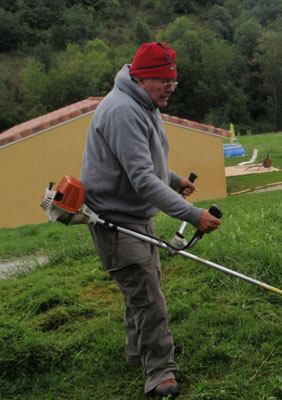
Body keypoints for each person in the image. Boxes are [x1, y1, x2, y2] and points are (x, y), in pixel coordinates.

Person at [80, 42, 221, 398]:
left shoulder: (145, 103)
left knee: (142, 291)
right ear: (142, 78)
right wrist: (193, 215)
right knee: (148, 299)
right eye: (164, 82)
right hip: (116, 222)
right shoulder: (122, 111)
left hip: (136, 217)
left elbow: (145, 163)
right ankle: (160, 375)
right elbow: (142, 179)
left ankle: (137, 354)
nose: (170, 89)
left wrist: (173, 179)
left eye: (174, 82)